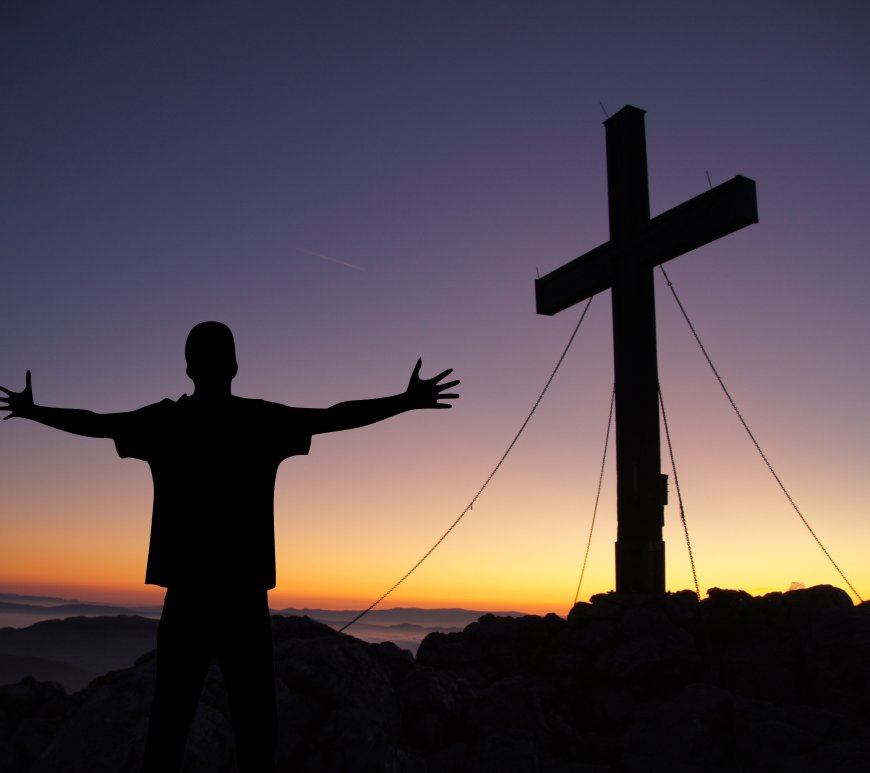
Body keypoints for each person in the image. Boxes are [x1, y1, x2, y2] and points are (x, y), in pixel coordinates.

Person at [0, 321, 459, 773]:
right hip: (244, 597)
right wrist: (404, 401)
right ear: (235, 366)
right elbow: (334, 416)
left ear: (188, 368)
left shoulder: (166, 422)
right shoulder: (260, 420)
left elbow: (96, 424)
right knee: (255, 731)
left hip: (186, 595)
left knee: (169, 725)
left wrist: (35, 411)